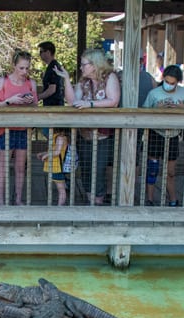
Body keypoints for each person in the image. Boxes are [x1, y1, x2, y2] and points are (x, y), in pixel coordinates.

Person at [54, 49, 121, 205]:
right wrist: (66, 79)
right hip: (84, 135)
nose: (81, 68)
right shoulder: (84, 82)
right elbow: (72, 102)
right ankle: (91, 201)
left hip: (103, 136)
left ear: (94, 65)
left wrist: (89, 104)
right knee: (86, 170)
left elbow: (113, 101)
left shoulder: (109, 78)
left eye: (84, 64)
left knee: (98, 170)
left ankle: (97, 202)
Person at [0, 50, 38, 206]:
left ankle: (17, 199)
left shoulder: (31, 83)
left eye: (27, 68)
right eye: (21, 68)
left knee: (20, 168)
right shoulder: (3, 81)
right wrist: (10, 101)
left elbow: (36, 105)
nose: (25, 72)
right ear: (14, 66)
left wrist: (29, 102)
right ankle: (1, 201)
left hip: (23, 129)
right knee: (3, 167)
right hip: (5, 129)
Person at [142, 65, 184, 207]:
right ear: (163, 79)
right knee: (153, 169)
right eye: (167, 82)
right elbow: (144, 111)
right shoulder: (154, 93)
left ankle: (173, 200)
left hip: (173, 134)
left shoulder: (183, 92)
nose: (169, 85)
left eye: (172, 83)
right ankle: (150, 199)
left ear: (178, 82)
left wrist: (182, 108)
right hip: (156, 133)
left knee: (171, 172)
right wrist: (157, 108)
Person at [37, 128, 70, 206]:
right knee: (60, 187)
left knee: (61, 189)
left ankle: (60, 206)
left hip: (58, 167)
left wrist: (47, 155)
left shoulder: (60, 137)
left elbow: (57, 152)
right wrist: (43, 153)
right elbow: (53, 150)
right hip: (54, 166)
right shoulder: (55, 137)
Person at [37, 41, 64, 107]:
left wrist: (37, 97)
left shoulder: (53, 68)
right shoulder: (54, 66)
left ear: (48, 52)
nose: (39, 54)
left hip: (53, 106)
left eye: (41, 52)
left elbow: (52, 90)